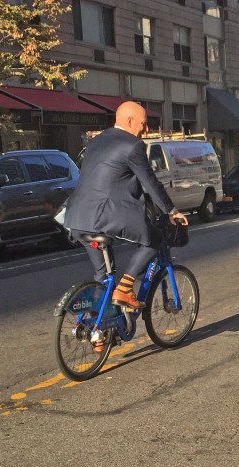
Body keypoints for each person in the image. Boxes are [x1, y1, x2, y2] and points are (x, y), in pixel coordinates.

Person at [64, 101, 188, 310]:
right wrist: (171, 211)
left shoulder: (96, 142)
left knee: (103, 276)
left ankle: (99, 335)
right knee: (155, 239)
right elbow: (150, 182)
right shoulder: (132, 145)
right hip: (105, 215)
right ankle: (125, 288)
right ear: (130, 121)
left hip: (77, 218)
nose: (145, 129)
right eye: (144, 123)